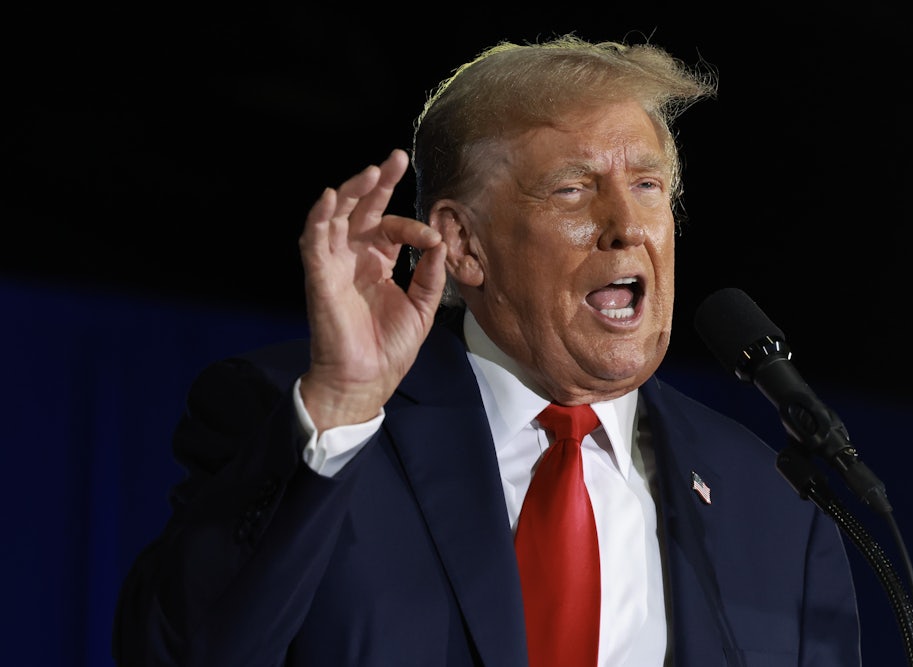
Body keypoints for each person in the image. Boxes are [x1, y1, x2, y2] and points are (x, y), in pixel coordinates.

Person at [112, 34, 861, 666]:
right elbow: (179, 650)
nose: (625, 226)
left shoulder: (779, 511)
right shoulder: (306, 423)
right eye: (573, 189)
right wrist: (339, 405)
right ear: (464, 245)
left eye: (646, 185)